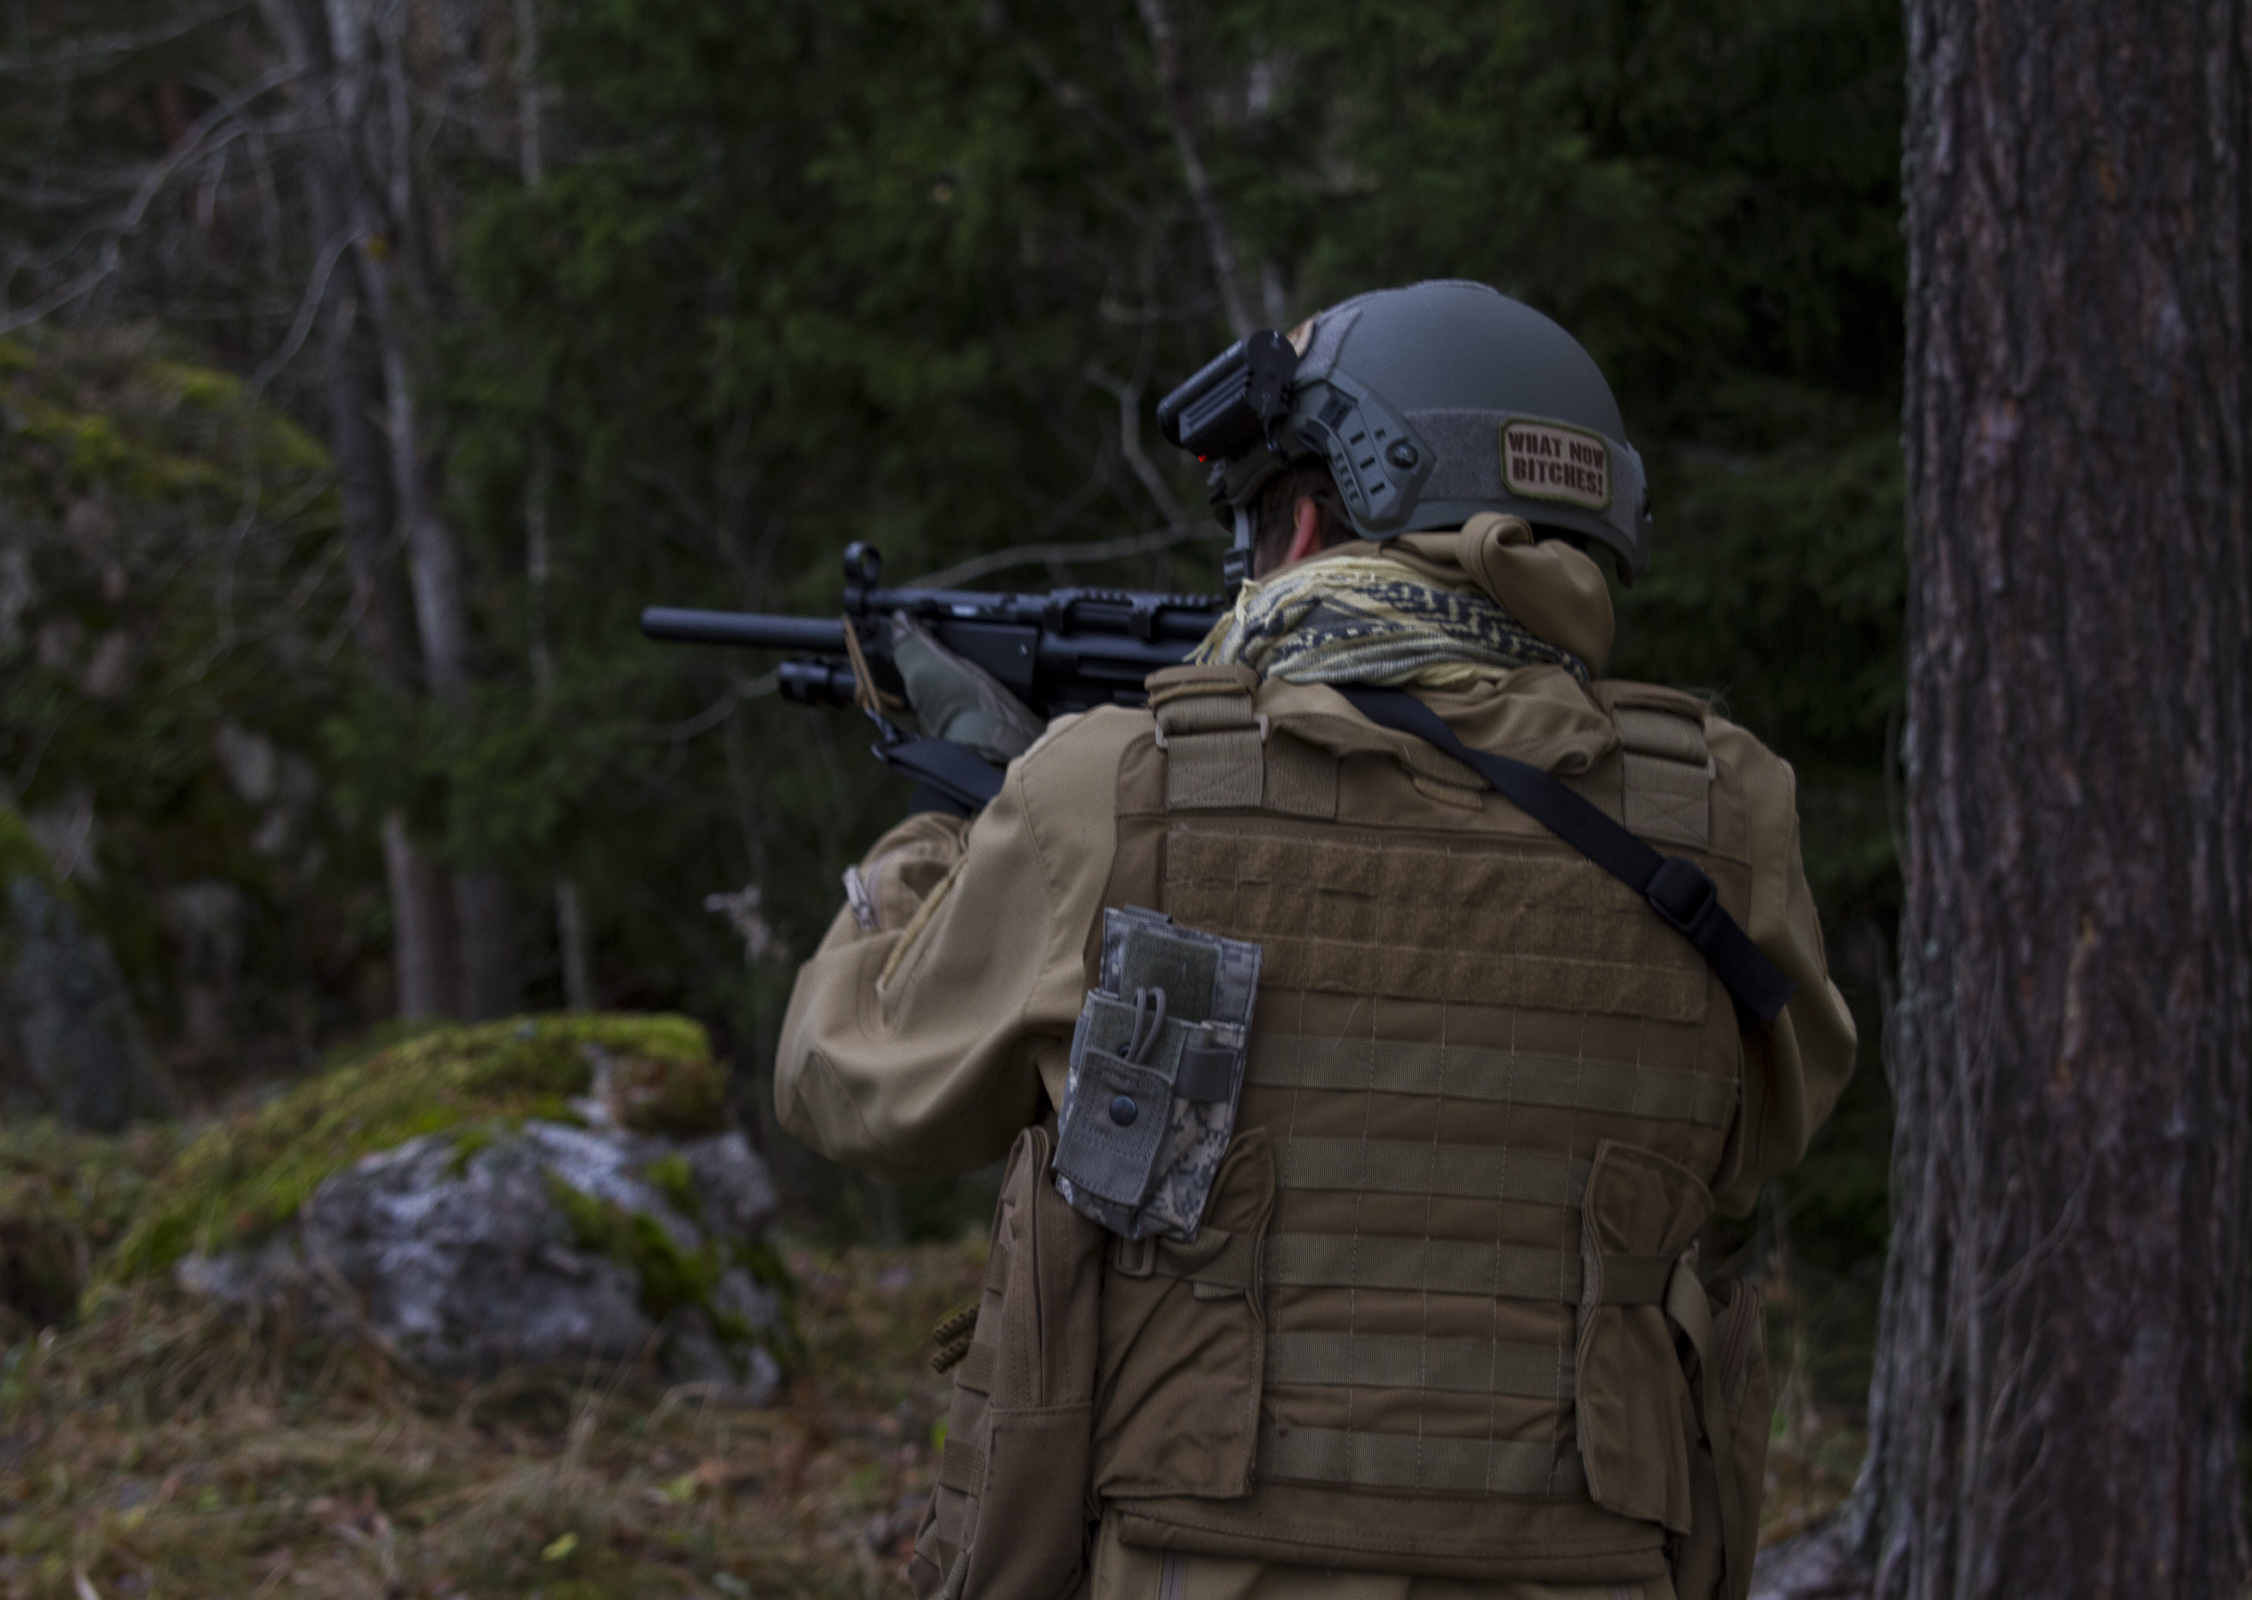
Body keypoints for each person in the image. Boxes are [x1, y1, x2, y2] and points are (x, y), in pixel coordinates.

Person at [777, 281, 1858, 1600]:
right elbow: (1765, 1130)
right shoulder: (1727, 815)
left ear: (1299, 521)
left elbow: (852, 1082)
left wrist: (952, 813)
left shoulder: (1115, 788)